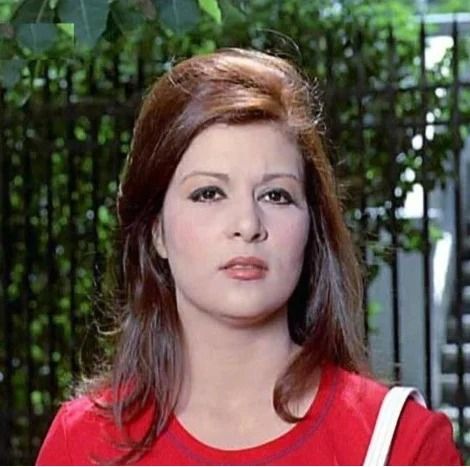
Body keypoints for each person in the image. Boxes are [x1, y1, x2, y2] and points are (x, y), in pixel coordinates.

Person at [36, 48, 462, 466]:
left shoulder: (403, 444)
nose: (247, 223)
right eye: (208, 193)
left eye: (276, 195)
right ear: (156, 231)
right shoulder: (82, 444)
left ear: (310, 226)